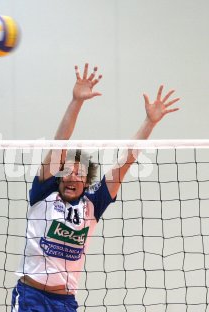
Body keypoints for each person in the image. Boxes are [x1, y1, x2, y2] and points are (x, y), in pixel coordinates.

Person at [11, 63, 180, 311]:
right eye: (66, 171)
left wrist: (149, 122)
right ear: (58, 177)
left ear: (86, 181)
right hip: (31, 297)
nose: (71, 176)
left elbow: (126, 160)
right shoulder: (43, 194)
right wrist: (76, 101)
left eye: (78, 173)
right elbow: (60, 142)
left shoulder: (92, 204)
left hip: (65, 302)